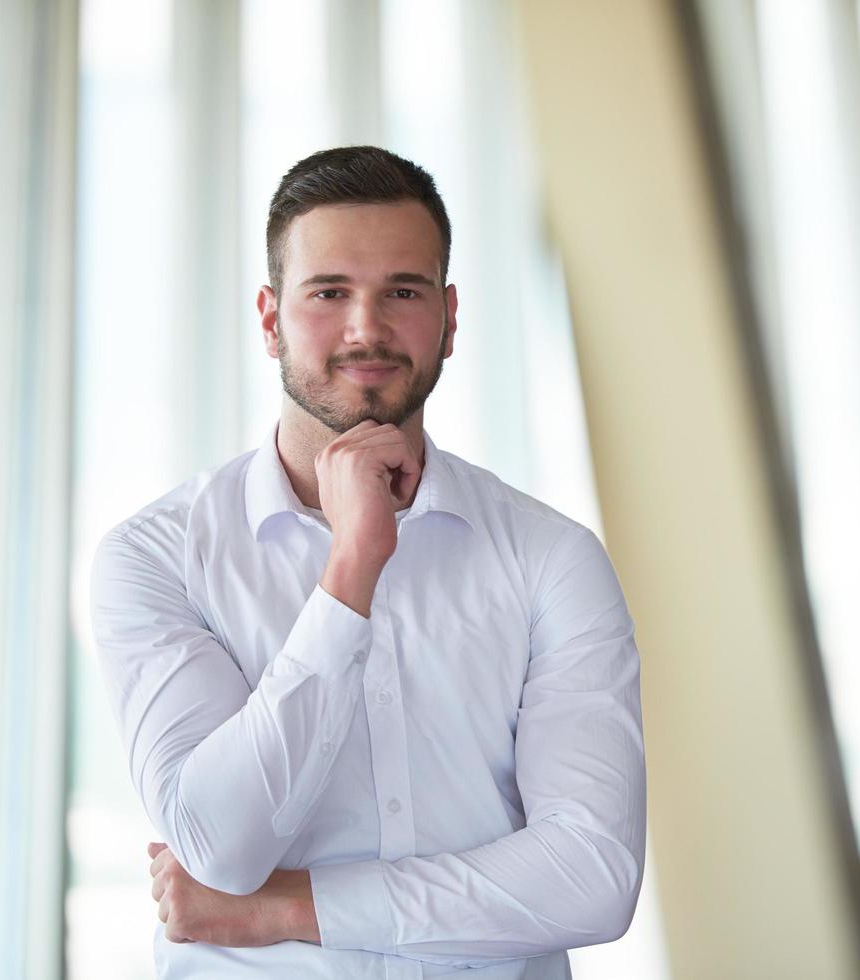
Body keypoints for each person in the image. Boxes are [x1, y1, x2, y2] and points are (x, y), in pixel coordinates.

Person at [88, 146, 645, 979]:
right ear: (271, 317)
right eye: (329, 293)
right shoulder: (158, 558)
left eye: (403, 292)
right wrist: (351, 568)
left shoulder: (551, 558)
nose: (366, 328)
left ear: (449, 319)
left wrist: (287, 909)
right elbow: (216, 847)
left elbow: (592, 878)